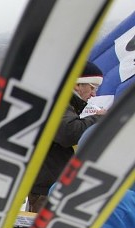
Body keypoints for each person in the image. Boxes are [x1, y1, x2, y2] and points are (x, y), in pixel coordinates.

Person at [27, 61, 106, 213]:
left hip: (47, 182)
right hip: (46, 187)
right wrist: (99, 119)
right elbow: (68, 132)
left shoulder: (63, 102)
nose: (94, 94)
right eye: (92, 87)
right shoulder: (59, 102)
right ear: (77, 85)